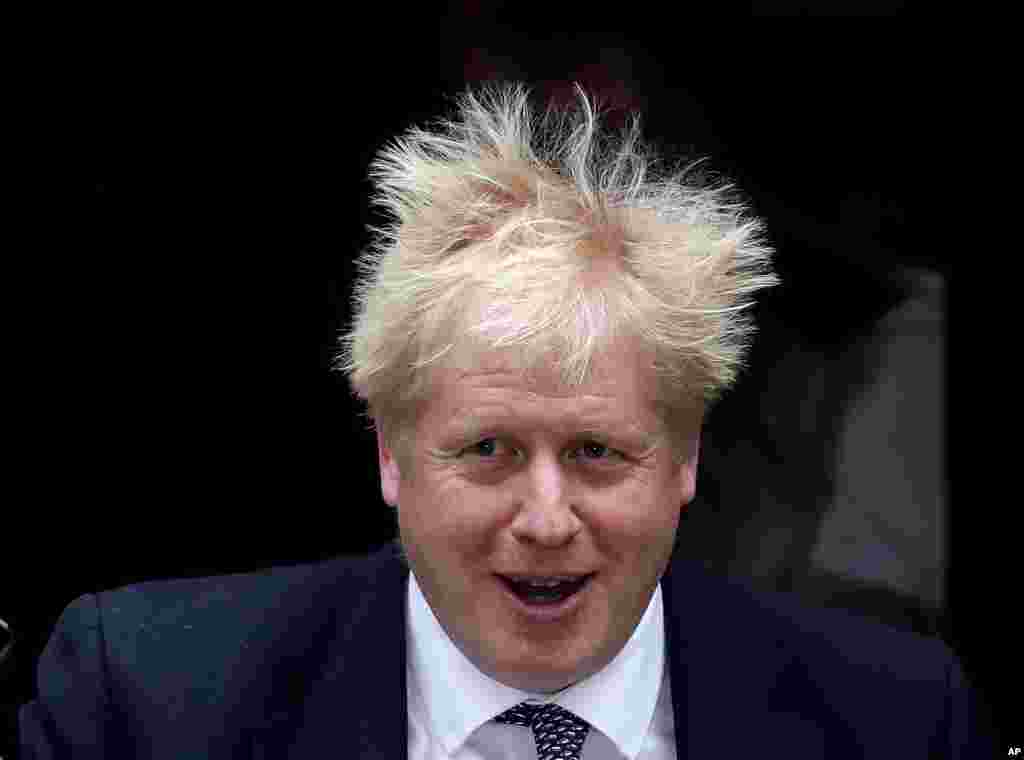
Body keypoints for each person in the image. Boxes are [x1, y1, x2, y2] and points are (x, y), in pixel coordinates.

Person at [20, 83, 994, 759]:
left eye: (596, 452)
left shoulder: (893, 721)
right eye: (488, 449)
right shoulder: (144, 704)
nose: (544, 516)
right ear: (391, 453)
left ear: (686, 458)